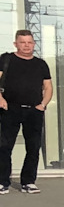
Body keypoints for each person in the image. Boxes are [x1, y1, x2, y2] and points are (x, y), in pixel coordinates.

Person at [1, 29, 53, 195]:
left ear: (34, 44)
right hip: (10, 109)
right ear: (16, 44)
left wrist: (43, 105)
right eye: (22, 42)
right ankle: (2, 182)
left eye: (29, 42)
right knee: (4, 146)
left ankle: (28, 182)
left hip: (33, 111)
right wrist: (1, 100)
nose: (26, 45)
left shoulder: (41, 64)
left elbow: (48, 87)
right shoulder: (6, 60)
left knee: (33, 147)